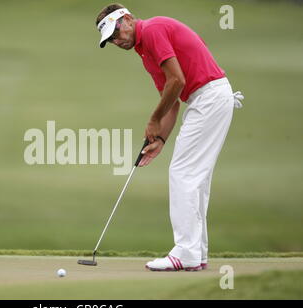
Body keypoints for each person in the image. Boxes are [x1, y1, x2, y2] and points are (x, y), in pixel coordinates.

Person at [96, 4, 244, 271]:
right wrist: (160, 141)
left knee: (183, 173)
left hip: (209, 97)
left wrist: (153, 120)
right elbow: (173, 100)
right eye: (111, 40)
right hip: (206, 100)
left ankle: (186, 252)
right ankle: (196, 253)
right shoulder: (144, 53)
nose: (117, 41)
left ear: (128, 19)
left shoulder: (152, 30)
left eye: (117, 33)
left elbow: (177, 80)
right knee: (195, 178)